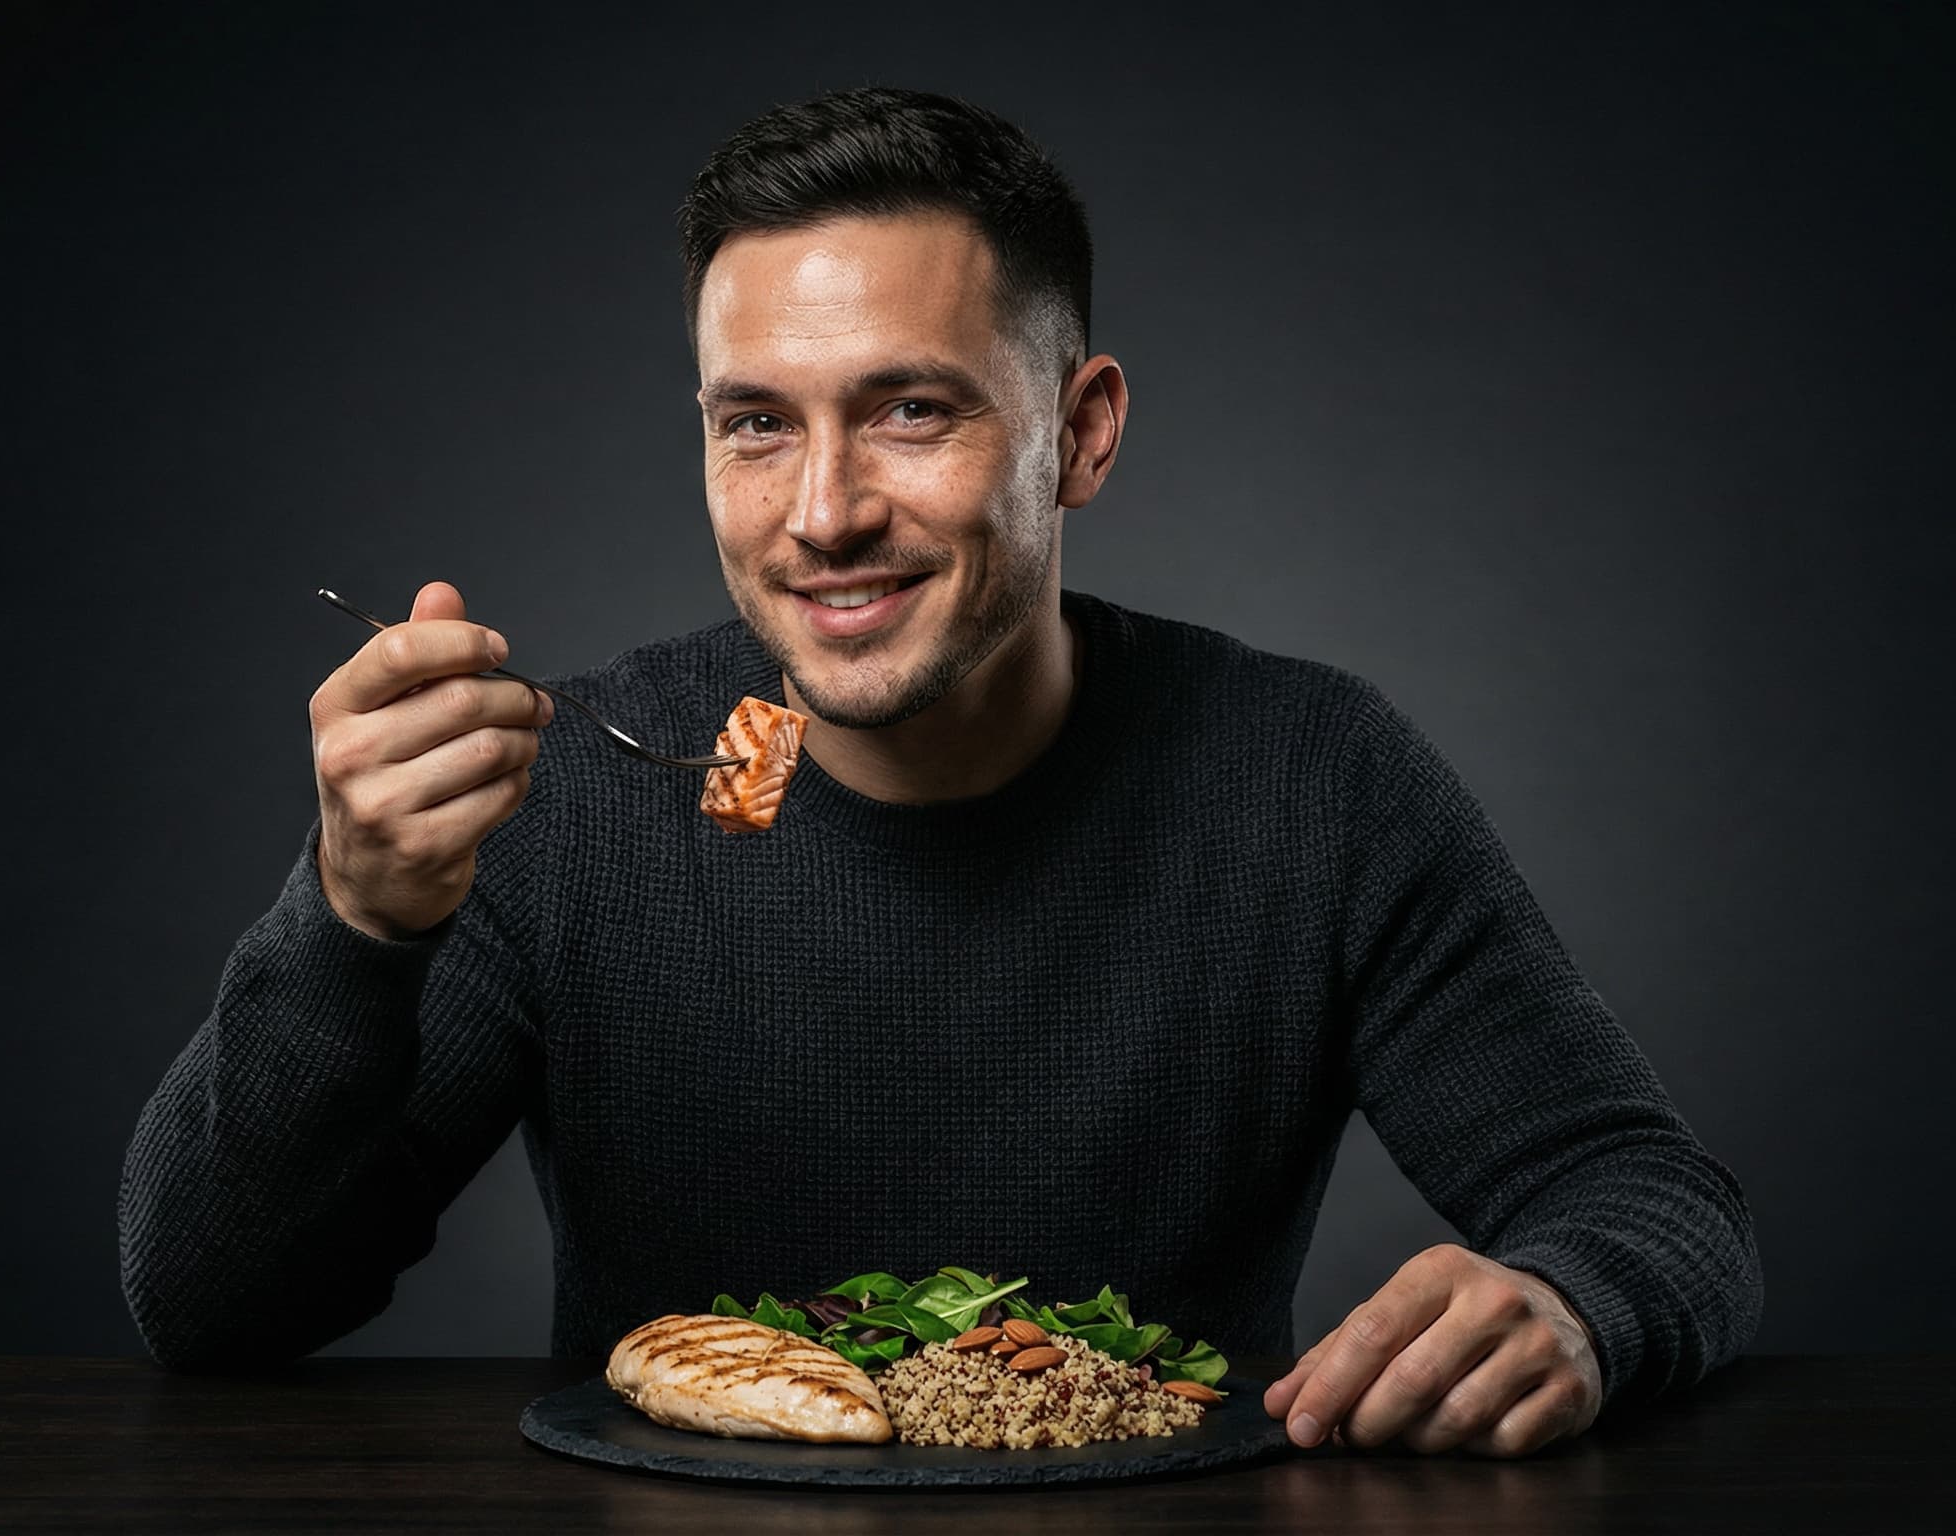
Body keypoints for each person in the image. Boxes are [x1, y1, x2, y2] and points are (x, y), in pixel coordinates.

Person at [121, 86, 1762, 1459]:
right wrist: (355, 926)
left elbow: (1643, 1197)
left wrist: (1575, 1307)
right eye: (756, 424)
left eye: (910, 410)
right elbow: (211, 1309)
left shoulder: (1309, 777)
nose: (822, 511)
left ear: (1083, 432)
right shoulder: (572, 795)